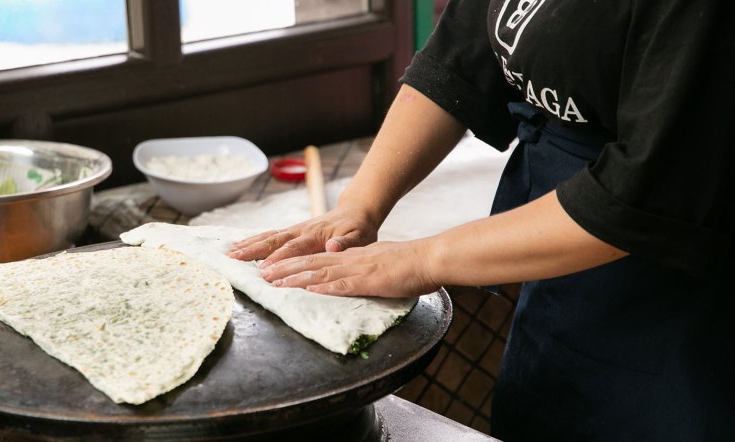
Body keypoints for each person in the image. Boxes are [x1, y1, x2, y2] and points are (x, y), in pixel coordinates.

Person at [228, 0, 735, 440]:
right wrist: (357, 208)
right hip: (560, 269)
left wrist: (423, 258)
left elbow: (641, 195)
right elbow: (458, 61)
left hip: (681, 293)